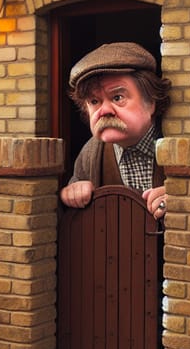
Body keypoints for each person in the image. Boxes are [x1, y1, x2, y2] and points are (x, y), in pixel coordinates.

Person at [60, 42, 172, 220]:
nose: (104, 111)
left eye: (117, 97)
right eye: (94, 102)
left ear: (151, 101)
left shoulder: (176, 145)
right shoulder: (90, 154)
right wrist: (72, 194)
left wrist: (183, 201)